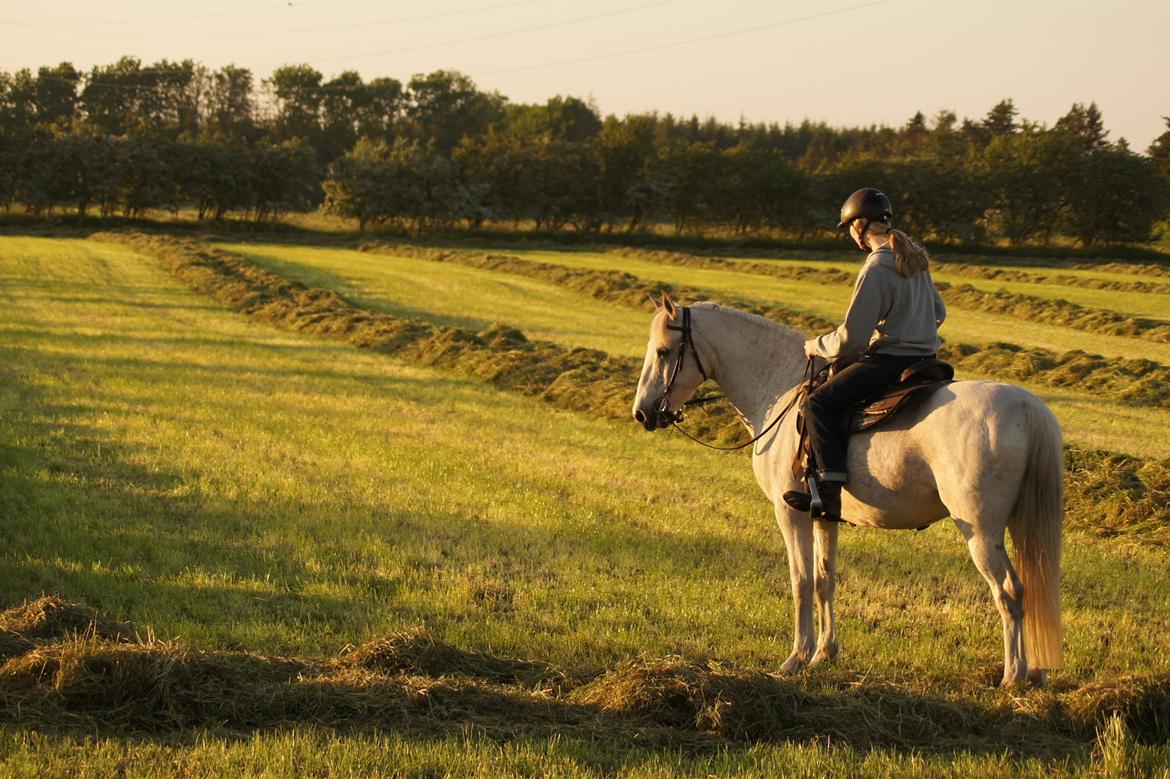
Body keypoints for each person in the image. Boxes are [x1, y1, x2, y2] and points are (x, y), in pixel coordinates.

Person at [784, 188, 946, 522]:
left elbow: (851, 340)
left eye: (850, 230)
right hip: (927, 362)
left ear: (859, 227)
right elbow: (939, 313)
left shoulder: (878, 266)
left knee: (818, 403)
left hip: (890, 363)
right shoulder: (914, 257)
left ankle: (828, 495)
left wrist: (815, 345)